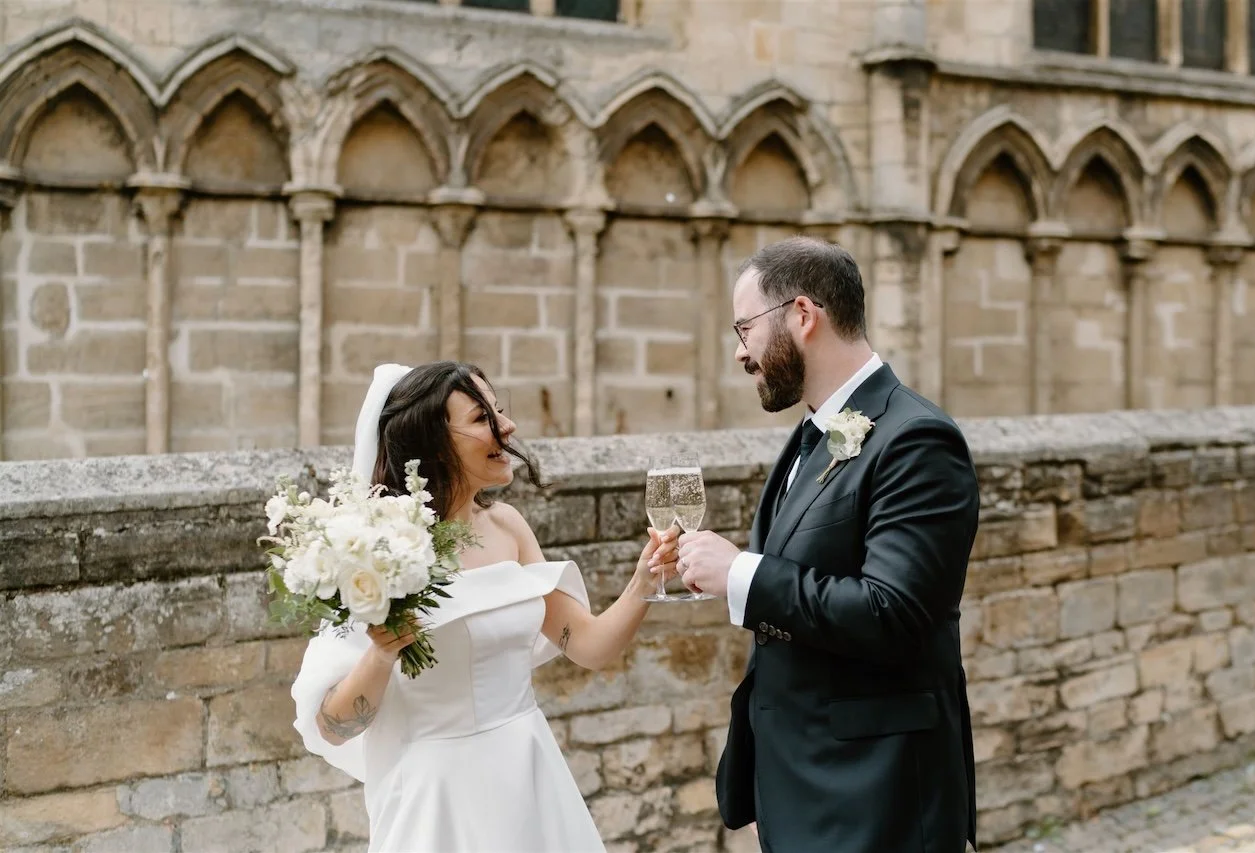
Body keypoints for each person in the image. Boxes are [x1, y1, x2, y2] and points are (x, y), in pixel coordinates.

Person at [665, 237, 980, 852]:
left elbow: (893, 614)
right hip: (802, 785)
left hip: (877, 795)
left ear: (803, 315)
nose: (739, 351)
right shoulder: (812, 434)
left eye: (744, 327)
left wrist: (743, 574)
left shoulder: (917, 439)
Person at [291, 361, 678, 853]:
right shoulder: (379, 549)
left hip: (528, 774)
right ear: (432, 442)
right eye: (481, 417)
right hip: (438, 797)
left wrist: (644, 581)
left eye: (499, 409)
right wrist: (382, 654)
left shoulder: (509, 527)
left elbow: (590, 647)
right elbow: (333, 725)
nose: (507, 425)